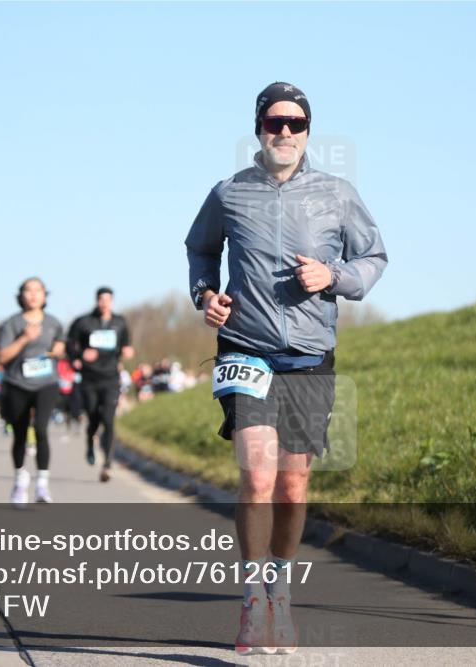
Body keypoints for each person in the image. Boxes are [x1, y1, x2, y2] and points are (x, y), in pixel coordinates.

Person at [185, 81, 387, 654]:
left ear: (307, 131)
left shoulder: (337, 194)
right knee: (257, 475)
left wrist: (334, 277)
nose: (285, 131)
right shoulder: (229, 193)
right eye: (275, 121)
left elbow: (373, 257)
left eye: (296, 123)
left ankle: (280, 593)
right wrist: (206, 295)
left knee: (293, 485)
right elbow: (201, 249)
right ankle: (252, 602)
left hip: (309, 355)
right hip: (244, 348)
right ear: (258, 128)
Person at [0, 277, 65, 505]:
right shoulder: (11, 324)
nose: (33, 294)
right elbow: (2, 356)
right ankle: (20, 480)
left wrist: (59, 349)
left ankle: (42, 485)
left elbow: (61, 345)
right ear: (21, 295)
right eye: (28, 290)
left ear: (45, 295)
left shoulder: (54, 323)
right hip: (18, 384)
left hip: (46, 383)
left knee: (41, 429)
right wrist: (25, 338)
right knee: (20, 434)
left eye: (38, 290)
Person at [66, 287, 134, 482]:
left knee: (109, 419)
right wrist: (78, 357)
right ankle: (90, 444)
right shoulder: (83, 322)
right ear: (96, 301)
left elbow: (126, 344)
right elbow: (69, 344)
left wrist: (128, 351)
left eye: (107, 300)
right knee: (93, 418)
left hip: (111, 377)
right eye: (101, 299)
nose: (104, 303)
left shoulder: (120, 322)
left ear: (112, 301)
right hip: (90, 377)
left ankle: (107, 465)